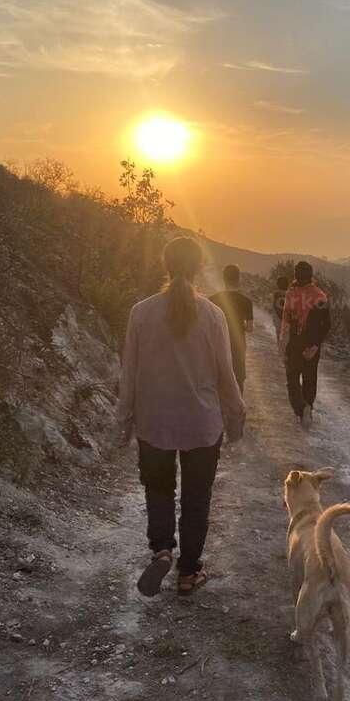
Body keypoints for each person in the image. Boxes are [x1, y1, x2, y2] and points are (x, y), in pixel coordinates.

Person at [117, 237, 245, 598]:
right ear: (199, 266)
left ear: (165, 263)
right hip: (202, 426)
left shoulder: (140, 313)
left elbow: (129, 374)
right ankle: (189, 572)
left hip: (153, 423)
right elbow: (225, 375)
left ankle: (161, 551)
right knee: (196, 498)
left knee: (158, 490)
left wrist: (123, 422)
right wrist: (236, 419)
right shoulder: (214, 316)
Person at [279, 261, 331, 428]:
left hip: (295, 342)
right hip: (312, 343)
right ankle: (308, 409)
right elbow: (326, 324)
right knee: (310, 378)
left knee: (292, 377)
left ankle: (302, 408)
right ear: (311, 275)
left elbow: (285, 321)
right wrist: (315, 345)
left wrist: (283, 344)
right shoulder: (320, 296)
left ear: (295, 275)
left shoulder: (290, 294)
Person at [209, 264, 254, 393]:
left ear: (224, 279)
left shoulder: (213, 300)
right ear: (238, 279)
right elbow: (250, 328)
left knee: (218, 378)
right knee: (238, 378)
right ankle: (237, 410)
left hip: (218, 344)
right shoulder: (246, 301)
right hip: (238, 344)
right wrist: (240, 325)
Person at [271, 275, 290, 344]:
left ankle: (280, 351)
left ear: (278, 284)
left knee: (279, 338)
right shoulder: (290, 294)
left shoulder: (276, 294)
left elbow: (274, 307)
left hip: (278, 321)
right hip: (287, 321)